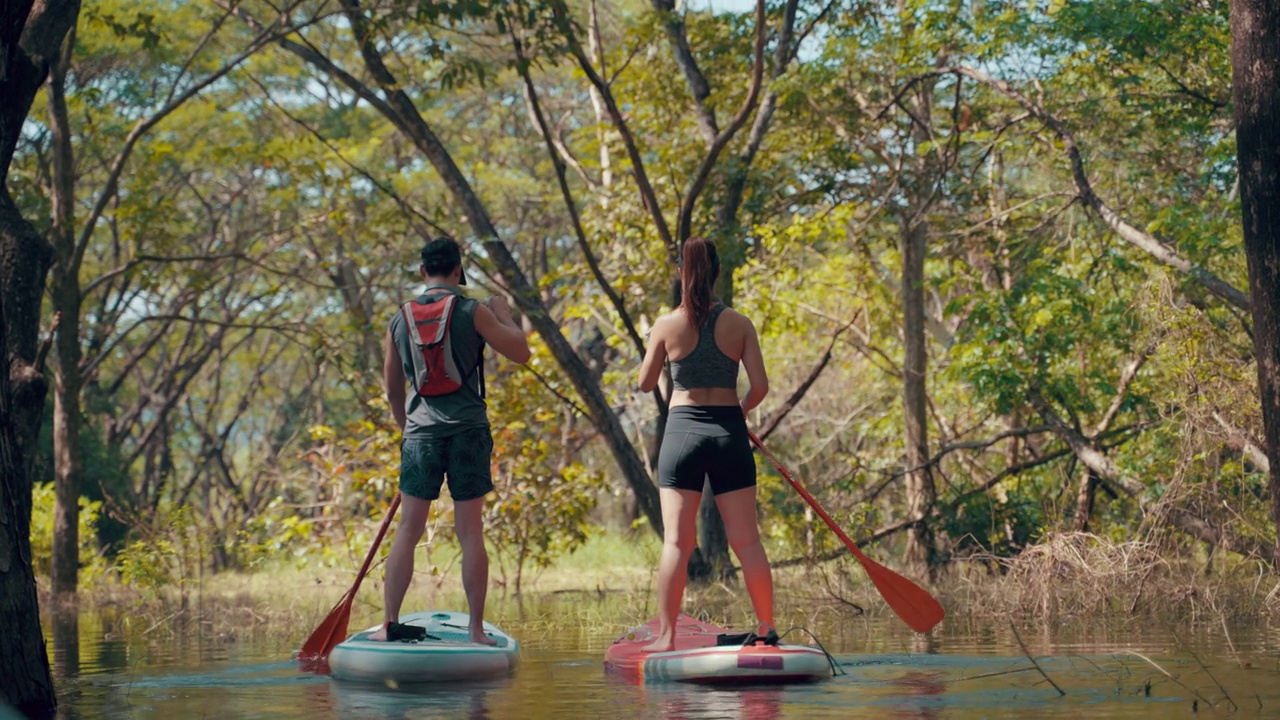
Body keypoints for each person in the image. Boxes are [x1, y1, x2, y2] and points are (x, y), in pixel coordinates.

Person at [373, 237, 531, 644]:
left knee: (408, 529)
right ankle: (476, 630)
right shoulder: (471, 310)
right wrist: (503, 312)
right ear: (459, 272)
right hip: (468, 431)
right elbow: (521, 352)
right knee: (470, 532)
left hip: (420, 433)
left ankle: (390, 624)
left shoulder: (399, 319)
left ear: (423, 273)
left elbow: (392, 388)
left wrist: (406, 428)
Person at [637, 236, 773, 652]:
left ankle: (667, 636)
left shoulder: (666, 324)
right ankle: (767, 631)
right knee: (746, 540)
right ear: (715, 273)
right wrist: (738, 414)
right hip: (729, 432)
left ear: (682, 272)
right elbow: (761, 387)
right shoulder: (740, 323)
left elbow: (644, 384)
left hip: (683, 432)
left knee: (678, 542)